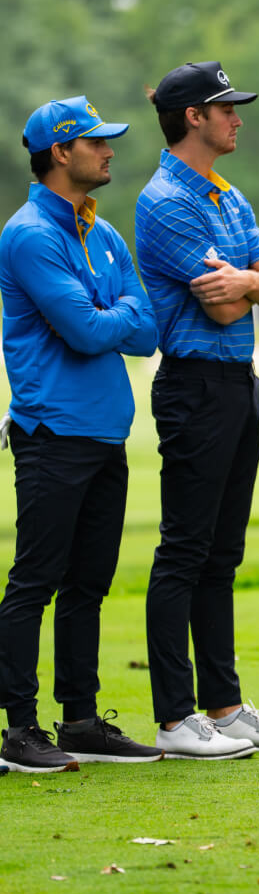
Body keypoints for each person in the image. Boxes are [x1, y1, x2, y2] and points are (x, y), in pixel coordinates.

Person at [135, 61, 259, 759]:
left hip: (239, 383)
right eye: (226, 108)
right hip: (193, 386)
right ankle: (175, 718)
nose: (237, 118)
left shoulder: (227, 195)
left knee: (221, 554)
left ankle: (226, 706)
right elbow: (227, 305)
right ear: (193, 117)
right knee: (184, 549)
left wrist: (247, 282)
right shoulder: (164, 201)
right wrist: (250, 282)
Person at [0, 96, 162, 773]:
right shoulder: (31, 234)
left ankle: (81, 721)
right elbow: (88, 331)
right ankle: (19, 729)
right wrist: (114, 310)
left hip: (103, 431)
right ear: (61, 152)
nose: (108, 150)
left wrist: (111, 311)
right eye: (95, 141)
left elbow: (147, 331)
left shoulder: (103, 232)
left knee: (88, 584)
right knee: (35, 581)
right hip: (52, 432)